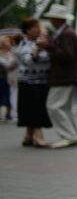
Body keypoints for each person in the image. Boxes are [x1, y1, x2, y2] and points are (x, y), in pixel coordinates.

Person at [38, 4, 77, 149]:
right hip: (66, 76)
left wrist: (49, 47)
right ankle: (71, 135)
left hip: (64, 76)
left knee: (53, 106)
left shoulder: (66, 33)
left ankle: (68, 136)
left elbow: (68, 55)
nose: (51, 20)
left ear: (56, 19)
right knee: (63, 107)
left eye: (52, 18)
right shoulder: (66, 32)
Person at [15, 19, 51, 147]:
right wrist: (37, 49)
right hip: (29, 81)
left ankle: (28, 135)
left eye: (38, 27)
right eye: (35, 27)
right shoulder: (24, 44)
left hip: (42, 80)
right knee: (35, 108)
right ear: (28, 30)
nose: (38, 29)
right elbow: (27, 61)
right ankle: (38, 135)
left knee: (35, 108)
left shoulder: (44, 42)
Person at [0, 35, 17, 121]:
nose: (9, 43)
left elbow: (16, 63)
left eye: (9, 41)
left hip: (10, 78)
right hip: (1, 77)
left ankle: (8, 113)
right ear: (1, 43)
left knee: (9, 95)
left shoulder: (12, 53)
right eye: (6, 41)